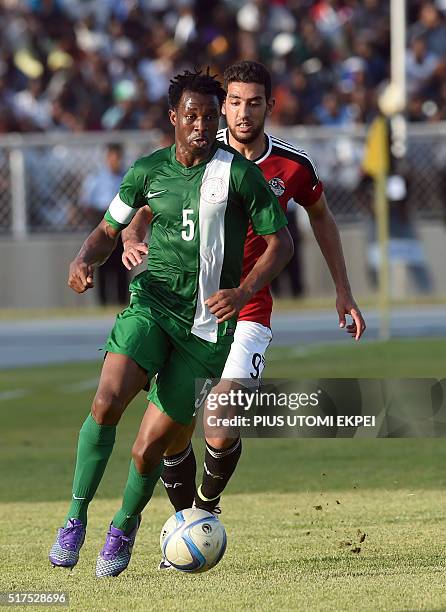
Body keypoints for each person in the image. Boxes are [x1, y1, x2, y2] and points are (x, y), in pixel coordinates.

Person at [48, 68, 293, 578]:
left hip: (205, 333)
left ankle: (123, 525)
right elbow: (105, 229)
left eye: (209, 115)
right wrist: (83, 259)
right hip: (151, 309)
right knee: (105, 401)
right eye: (192, 116)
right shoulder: (147, 171)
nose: (202, 125)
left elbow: (282, 243)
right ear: (174, 119)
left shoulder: (241, 176)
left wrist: (244, 291)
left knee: (148, 449)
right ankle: (74, 518)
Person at [122, 61, 366, 569]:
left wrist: (343, 289)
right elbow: (142, 207)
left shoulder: (293, 167)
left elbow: (320, 218)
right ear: (221, 105)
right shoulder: (195, 154)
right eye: (233, 101)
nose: (241, 112)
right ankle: (185, 523)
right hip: (184, 312)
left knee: (220, 421)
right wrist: (131, 238)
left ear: (269, 107)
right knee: (173, 434)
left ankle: (203, 516)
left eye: (253, 102)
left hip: (249, 310)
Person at [78, 143, 128, 305]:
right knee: (102, 263)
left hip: (122, 223)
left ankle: (122, 300)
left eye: (118, 157)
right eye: (113, 157)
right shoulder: (95, 178)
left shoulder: (126, 177)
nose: (116, 161)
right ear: (107, 158)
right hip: (102, 219)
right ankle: (103, 302)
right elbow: (86, 203)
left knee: (122, 263)